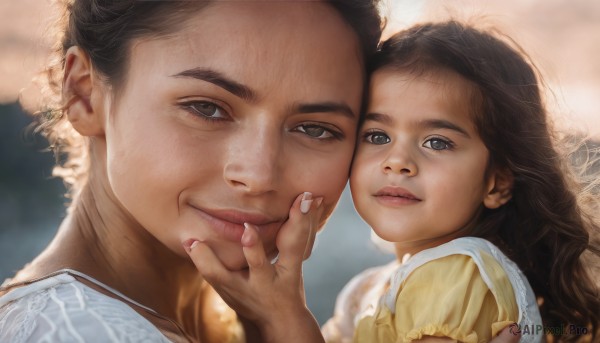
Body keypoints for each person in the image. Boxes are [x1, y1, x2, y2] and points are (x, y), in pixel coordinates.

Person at [194, 21, 600, 343]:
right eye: (377, 137)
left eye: (437, 142)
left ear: (497, 184)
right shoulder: (371, 289)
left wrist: (287, 318)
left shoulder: (458, 275)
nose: (398, 162)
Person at [0, 0, 382, 342]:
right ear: (84, 93)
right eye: (206, 108)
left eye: (315, 129)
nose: (259, 176)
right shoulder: (79, 332)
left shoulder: (226, 323)